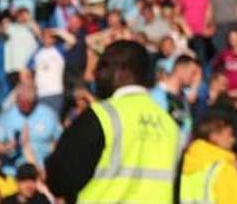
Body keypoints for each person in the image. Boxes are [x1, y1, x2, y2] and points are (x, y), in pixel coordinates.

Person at [45, 40, 179, 202]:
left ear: (122, 71)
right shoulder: (169, 124)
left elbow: (60, 180)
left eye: (103, 66)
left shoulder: (101, 116)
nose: (96, 74)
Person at [0, 80, 62, 176]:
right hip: (13, 172)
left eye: (28, 101)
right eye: (21, 101)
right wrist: (6, 148)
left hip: (41, 172)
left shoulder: (49, 114)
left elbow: (60, 140)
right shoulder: (6, 116)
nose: (24, 104)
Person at [177, 114, 237, 204]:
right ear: (214, 136)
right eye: (229, 134)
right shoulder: (224, 170)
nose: (233, 140)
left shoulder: (182, 164)